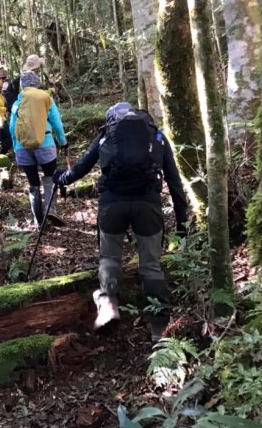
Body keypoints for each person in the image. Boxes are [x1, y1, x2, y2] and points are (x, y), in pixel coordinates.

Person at [52, 102, 188, 342]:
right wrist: (182, 224)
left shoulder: (107, 135)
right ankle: (158, 327)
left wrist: (61, 178)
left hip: (112, 204)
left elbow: (82, 167)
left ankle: (109, 304)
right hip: (147, 205)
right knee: (150, 265)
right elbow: (175, 183)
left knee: (110, 257)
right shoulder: (157, 136)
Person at [9, 72, 67, 229]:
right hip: (45, 144)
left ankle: (38, 223)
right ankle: (51, 209)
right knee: (49, 178)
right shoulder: (46, 98)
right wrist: (63, 142)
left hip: (23, 147)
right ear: (37, 84)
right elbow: (56, 123)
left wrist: (16, 147)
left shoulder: (17, 103)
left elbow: (12, 127)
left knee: (33, 185)